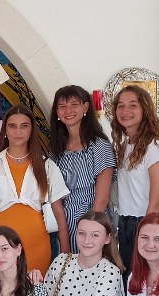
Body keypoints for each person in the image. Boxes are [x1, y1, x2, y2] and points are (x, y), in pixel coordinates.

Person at [0, 105, 71, 271]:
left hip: (37, 245)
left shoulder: (47, 166)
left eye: (24, 126)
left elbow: (58, 212)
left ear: (31, 131)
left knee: (36, 286)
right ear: (5, 130)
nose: (18, 131)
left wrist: (65, 253)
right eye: (12, 126)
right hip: (0, 249)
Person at [111, 85, 159, 278]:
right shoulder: (125, 145)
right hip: (125, 222)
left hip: (144, 222)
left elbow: (157, 202)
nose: (125, 111)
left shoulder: (155, 146)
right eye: (121, 106)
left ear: (145, 109)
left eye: (133, 105)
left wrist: (146, 235)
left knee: (142, 281)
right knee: (128, 282)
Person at [49, 85, 116, 252]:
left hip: (93, 219)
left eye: (74, 105)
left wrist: (88, 232)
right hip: (63, 222)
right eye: (62, 106)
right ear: (57, 112)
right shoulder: (56, 149)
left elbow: (102, 199)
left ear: (85, 107)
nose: (68, 111)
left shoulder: (99, 146)